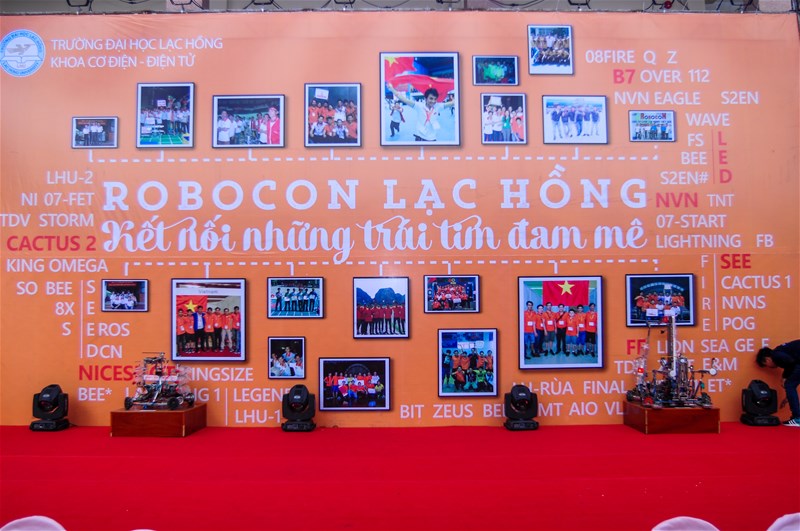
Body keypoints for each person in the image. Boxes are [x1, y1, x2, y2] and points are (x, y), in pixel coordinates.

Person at [756, 340, 800, 426]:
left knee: (789, 385)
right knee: (790, 386)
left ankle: (797, 418)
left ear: (767, 359)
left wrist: (784, 377)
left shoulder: (776, 355)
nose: (769, 368)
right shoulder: (781, 352)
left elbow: (791, 363)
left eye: (765, 365)